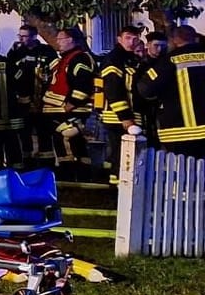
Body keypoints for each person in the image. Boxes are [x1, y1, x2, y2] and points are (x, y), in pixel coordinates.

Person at [137, 25, 205, 158]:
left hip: (178, 131)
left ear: (174, 40)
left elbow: (145, 88)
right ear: (195, 38)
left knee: (181, 172)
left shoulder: (168, 61)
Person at [42, 27, 98, 175]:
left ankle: (73, 171)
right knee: (71, 140)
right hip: (60, 110)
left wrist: (72, 103)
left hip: (75, 109)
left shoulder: (80, 58)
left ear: (70, 40)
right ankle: (73, 170)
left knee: (66, 135)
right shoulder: (67, 58)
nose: (57, 42)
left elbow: (84, 84)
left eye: (60, 39)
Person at [98, 25, 144, 186]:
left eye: (135, 38)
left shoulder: (131, 58)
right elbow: (113, 89)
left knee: (126, 152)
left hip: (130, 115)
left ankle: (122, 185)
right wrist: (125, 117)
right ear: (119, 39)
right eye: (128, 38)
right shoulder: (114, 59)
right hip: (118, 117)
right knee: (120, 152)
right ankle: (116, 188)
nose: (132, 42)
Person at [7, 24, 56, 164]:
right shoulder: (16, 52)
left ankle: (47, 162)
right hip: (23, 101)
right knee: (24, 133)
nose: (21, 39)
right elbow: (9, 70)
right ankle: (26, 161)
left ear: (34, 36)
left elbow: (54, 73)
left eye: (25, 36)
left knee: (44, 132)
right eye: (19, 36)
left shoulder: (46, 51)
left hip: (43, 100)